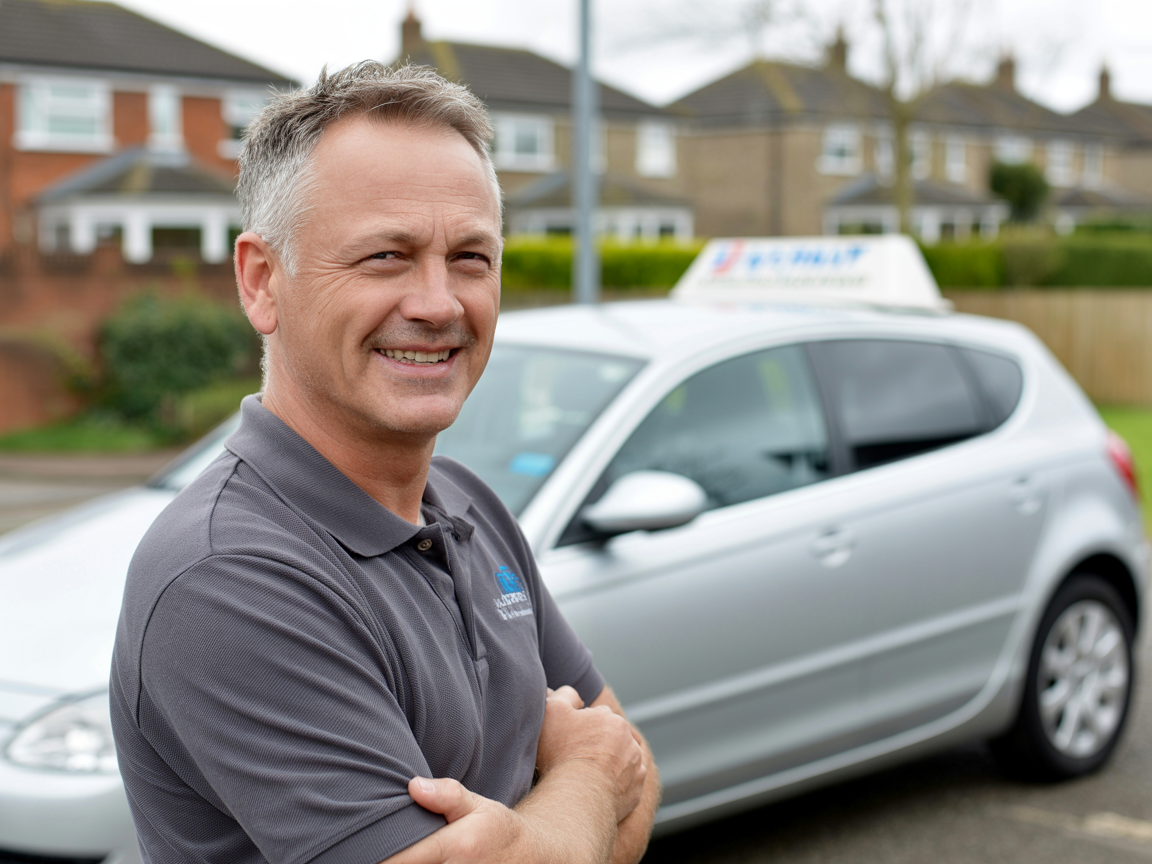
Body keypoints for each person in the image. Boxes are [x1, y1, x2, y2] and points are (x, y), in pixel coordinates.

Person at [109, 62, 659, 864]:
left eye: (471, 257)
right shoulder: (227, 574)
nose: (438, 304)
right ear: (262, 282)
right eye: (385, 257)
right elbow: (615, 764)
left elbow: (643, 798)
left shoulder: (469, 506)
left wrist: (538, 831)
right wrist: (584, 773)